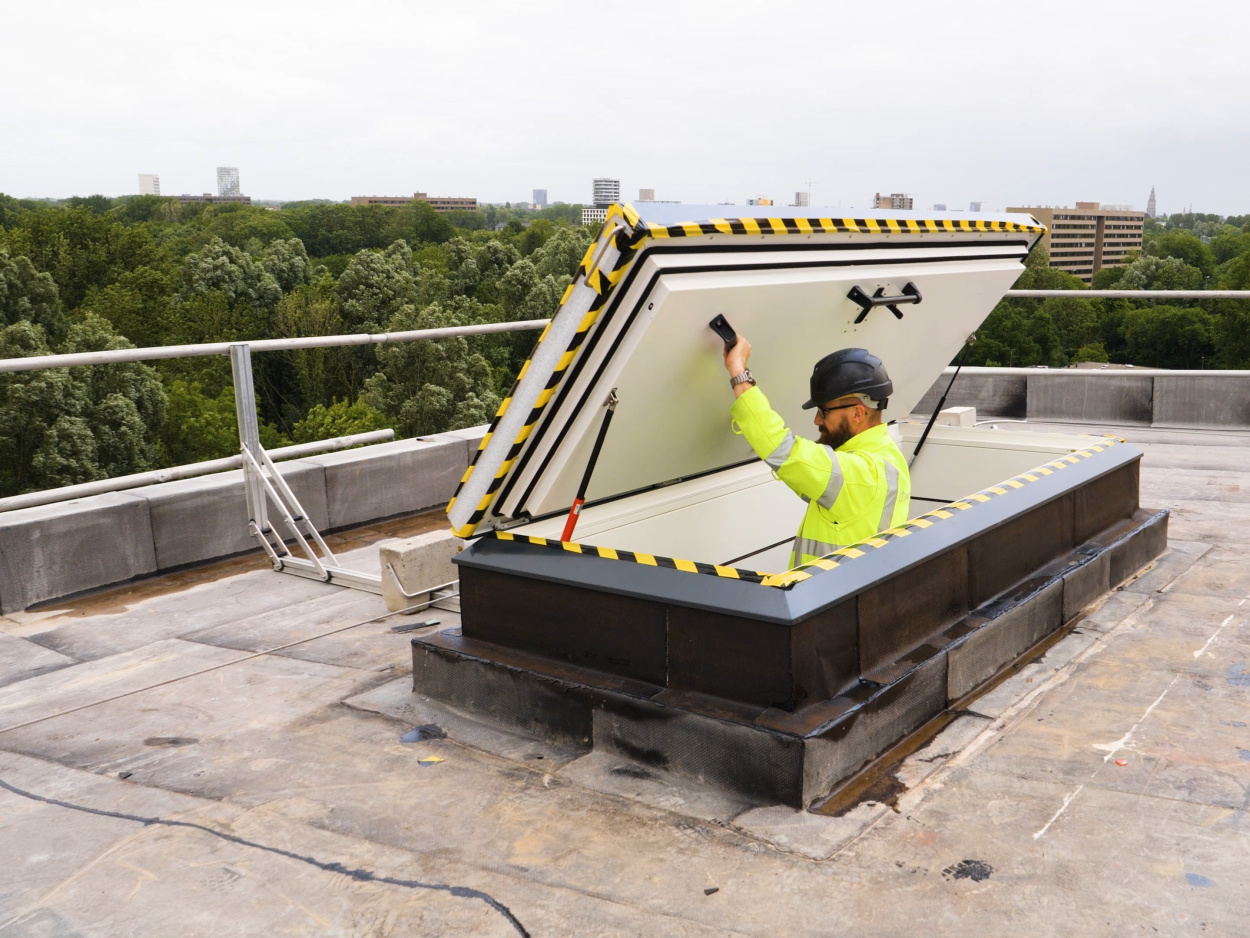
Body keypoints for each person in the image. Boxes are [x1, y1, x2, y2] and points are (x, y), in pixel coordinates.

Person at [723, 336, 911, 567]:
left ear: (857, 414)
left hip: (830, 598)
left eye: (824, 411)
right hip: (849, 593)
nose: (816, 420)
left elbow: (786, 451)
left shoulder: (859, 475)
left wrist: (738, 370)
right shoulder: (889, 456)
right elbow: (803, 473)